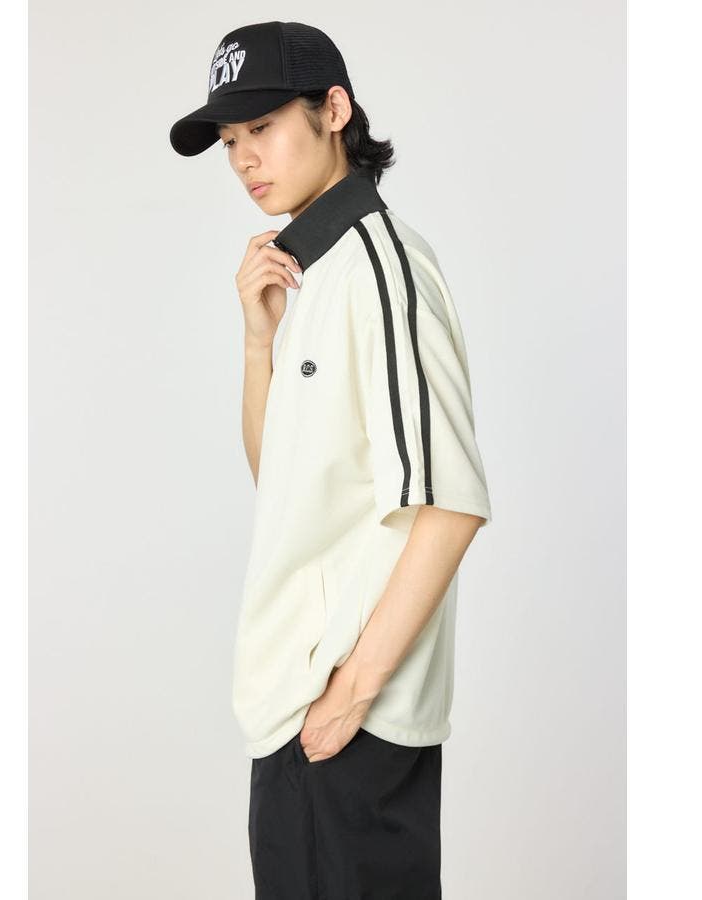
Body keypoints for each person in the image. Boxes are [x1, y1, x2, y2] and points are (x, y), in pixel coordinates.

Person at [170, 20, 493, 899]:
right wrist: (257, 343)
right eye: (229, 140)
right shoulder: (314, 275)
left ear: (334, 110)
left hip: (348, 722)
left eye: (262, 126)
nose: (243, 158)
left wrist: (350, 694)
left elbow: (452, 502)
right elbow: (282, 484)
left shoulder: (383, 269)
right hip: (296, 713)